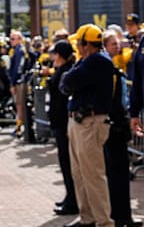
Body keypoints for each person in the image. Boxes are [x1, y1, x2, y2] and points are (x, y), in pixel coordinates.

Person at [60, 24, 113, 227]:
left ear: (86, 44)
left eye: (79, 43)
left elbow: (68, 82)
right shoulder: (86, 61)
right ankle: (87, 218)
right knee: (79, 173)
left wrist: (68, 78)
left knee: (93, 175)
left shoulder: (97, 61)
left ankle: (103, 222)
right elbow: (65, 83)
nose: (77, 47)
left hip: (91, 123)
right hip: (79, 122)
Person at [102, 31, 141, 227]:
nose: (117, 47)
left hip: (119, 123)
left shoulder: (119, 64)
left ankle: (123, 215)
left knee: (120, 173)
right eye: (112, 44)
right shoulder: (105, 68)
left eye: (118, 44)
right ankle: (118, 216)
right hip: (113, 126)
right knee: (115, 171)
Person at [46, 40, 78, 216]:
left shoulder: (67, 71)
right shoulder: (61, 70)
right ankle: (69, 197)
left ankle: (73, 201)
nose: (53, 57)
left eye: (55, 54)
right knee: (65, 163)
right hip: (59, 123)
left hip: (64, 124)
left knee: (68, 163)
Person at [8, 30, 31, 137]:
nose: (11, 41)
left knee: (20, 105)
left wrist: (12, 83)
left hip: (19, 81)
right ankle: (20, 126)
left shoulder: (20, 51)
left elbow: (18, 68)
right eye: (10, 38)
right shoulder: (16, 50)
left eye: (13, 39)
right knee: (19, 105)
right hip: (19, 80)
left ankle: (19, 128)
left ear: (19, 39)